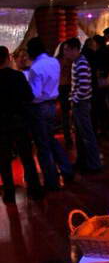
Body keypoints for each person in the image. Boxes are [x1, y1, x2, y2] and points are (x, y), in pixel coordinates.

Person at [27, 36, 73, 191]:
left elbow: (35, 94)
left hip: (39, 108)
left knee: (43, 145)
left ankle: (52, 181)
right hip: (52, 105)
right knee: (51, 139)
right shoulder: (54, 62)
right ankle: (67, 170)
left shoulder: (35, 68)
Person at [0, 46, 43, 203]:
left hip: (1, 124)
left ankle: (9, 193)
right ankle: (35, 190)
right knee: (26, 157)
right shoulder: (17, 76)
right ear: (8, 58)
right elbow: (29, 97)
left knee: (4, 160)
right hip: (19, 121)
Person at [63, 38, 102, 173]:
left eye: (67, 50)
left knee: (87, 135)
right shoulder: (77, 62)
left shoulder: (81, 63)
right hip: (80, 103)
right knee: (81, 135)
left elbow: (84, 87)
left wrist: (74, 99)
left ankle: (94, 164)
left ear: (75, 49)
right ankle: (84, 162)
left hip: (81, 104)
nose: (65, 52)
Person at [94, 34, 109, 138]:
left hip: (102, 82)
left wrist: (101, 73)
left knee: (103, 105)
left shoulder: (98, 53)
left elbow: (99, 67)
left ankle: (105, 128)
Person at [56, 41, 73, 149]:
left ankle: (69, 135)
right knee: (65, 113)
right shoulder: (59, 61)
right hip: (63, 87)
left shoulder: (70, 60)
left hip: (67, 87)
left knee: (67, 113)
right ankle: (68, 137)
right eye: (65, 49)